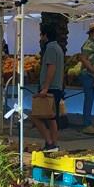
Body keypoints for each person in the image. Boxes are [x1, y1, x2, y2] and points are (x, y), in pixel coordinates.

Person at [31, 22, 65, 153]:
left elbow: (51, 68)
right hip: (56, 87)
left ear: (45, 35)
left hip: (50, 88)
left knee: (36, 116)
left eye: (41, 34)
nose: (40, 37)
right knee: (52, 118)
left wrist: (45, 87)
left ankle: (50, 142)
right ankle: (53, 145)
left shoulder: (50, 48)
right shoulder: (58, 48)